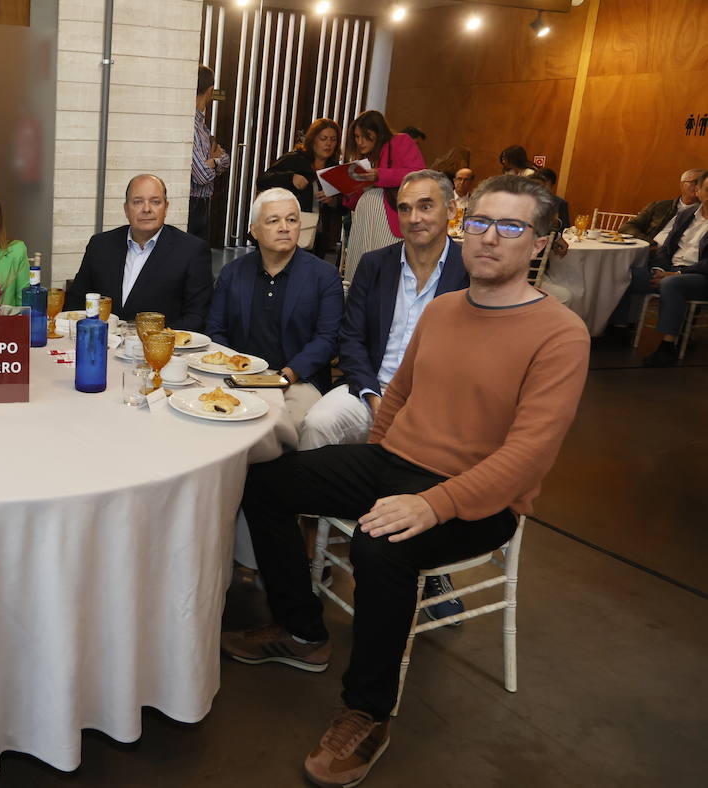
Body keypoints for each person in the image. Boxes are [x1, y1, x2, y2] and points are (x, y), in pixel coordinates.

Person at [222, 175, 589, 787]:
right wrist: (370, 462)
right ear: (462, 228)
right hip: (396, 462)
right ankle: (302, 629)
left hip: (479, 496)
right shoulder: (445, 310)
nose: (488, 238)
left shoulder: (560, 334)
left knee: (378, 544)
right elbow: (396, 398)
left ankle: (367, 711)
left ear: (540, 244)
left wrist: (435, 503)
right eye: (479, 223)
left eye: (511, 227)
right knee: (264, 481)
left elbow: (528, 455)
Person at [299, 171, 470, 624]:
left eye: (426, 206)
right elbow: (351, 339)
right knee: (317, 425)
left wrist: (415, 408)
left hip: (437, 405)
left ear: (451, 210)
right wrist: (375, 397)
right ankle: (316, 538)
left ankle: (431, 564)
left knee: (426, 459)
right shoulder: (375, 264)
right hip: (371, 389)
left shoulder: (471, 269)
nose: (414, 217)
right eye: (406, 208)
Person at [206, 187, 343, 426]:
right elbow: (215, 329)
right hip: (238, 376)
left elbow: (327, 339)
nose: (284, 227)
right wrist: (235, 369)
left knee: (280, 427)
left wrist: (287, 375)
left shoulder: (324, 275)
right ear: (254, 231)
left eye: (292, 220)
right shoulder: (233, 273)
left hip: (297, 381)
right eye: (273, 221)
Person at [65, 174, 212, 330]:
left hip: (160, 351)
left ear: (166, 207)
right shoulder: (100, 245)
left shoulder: (191, 250)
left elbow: (196, 317)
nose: (147, 209)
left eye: (155, 202)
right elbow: (75, 303)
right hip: (100, 345)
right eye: (138, 202)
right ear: (126, 209)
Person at [612, 170, 708, 366]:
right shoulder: (687, 214)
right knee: (625, 274)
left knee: (672, 284)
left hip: (699, 276)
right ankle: (619, 329)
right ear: (698, 191)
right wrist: (659, 268)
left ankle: (667, 346)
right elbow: (666, 247)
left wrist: (678, 273)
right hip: (671, 269)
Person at [340, 110, 426, 283]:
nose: (360, 142)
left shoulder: (400, 141)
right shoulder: (365, 159)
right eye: (356, 137)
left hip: (388, 217)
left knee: (384, 272)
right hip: (365, 218)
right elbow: (357, 198)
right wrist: (347, 188)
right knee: (361, 267)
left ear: (377, 133)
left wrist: (379, 175)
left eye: (365, 136)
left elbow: (418, 174)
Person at [260, 118, 341, 215]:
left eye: (333, 139)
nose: (328, 144)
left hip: (319, 227)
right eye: (323, 139)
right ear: (312, 140)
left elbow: (343, 208)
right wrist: (291, 178)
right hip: (288, 223)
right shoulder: (295, 158)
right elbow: (262, 180)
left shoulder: (335, 168)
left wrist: (333, 201)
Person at [190, 65, 230, 241]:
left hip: (202, 204)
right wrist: (214, 162)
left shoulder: (201, 126)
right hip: (192, 205)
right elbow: (202, 176)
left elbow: (225, 159)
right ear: (210, 91)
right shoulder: (191, 126)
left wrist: (213, 161)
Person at [619, 169, 704, 246]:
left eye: (704, 184)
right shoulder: (659, 206)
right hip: (649, 249)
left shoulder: (704, 212)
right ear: (682, 185)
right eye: (695, 182)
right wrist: (648, 242)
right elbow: (627, 227)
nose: (699, 187)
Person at [533, 167, 571, 231]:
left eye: (546, 182)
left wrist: (556, 223)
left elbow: (565, 228)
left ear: (552, 185)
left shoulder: (560, 203)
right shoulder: (527, 199)